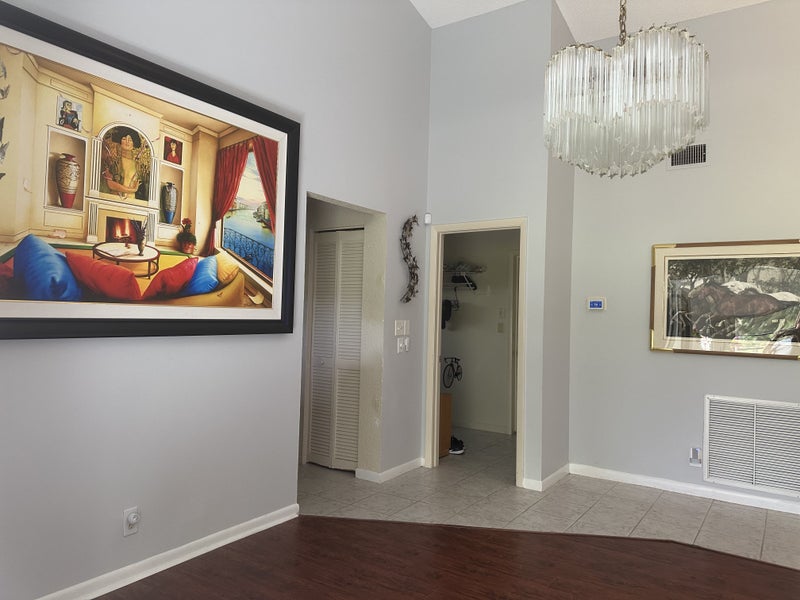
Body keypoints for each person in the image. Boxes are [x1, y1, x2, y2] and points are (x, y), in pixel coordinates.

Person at [100, 127, 150, 200]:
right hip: (114, 199)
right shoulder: (113, 161)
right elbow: (110, 183)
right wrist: (131, 190)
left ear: (134, 143)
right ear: (120, 142)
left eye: (130, 140)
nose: (127, 141)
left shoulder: (139, 166)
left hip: (133, 201)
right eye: (124, 139)